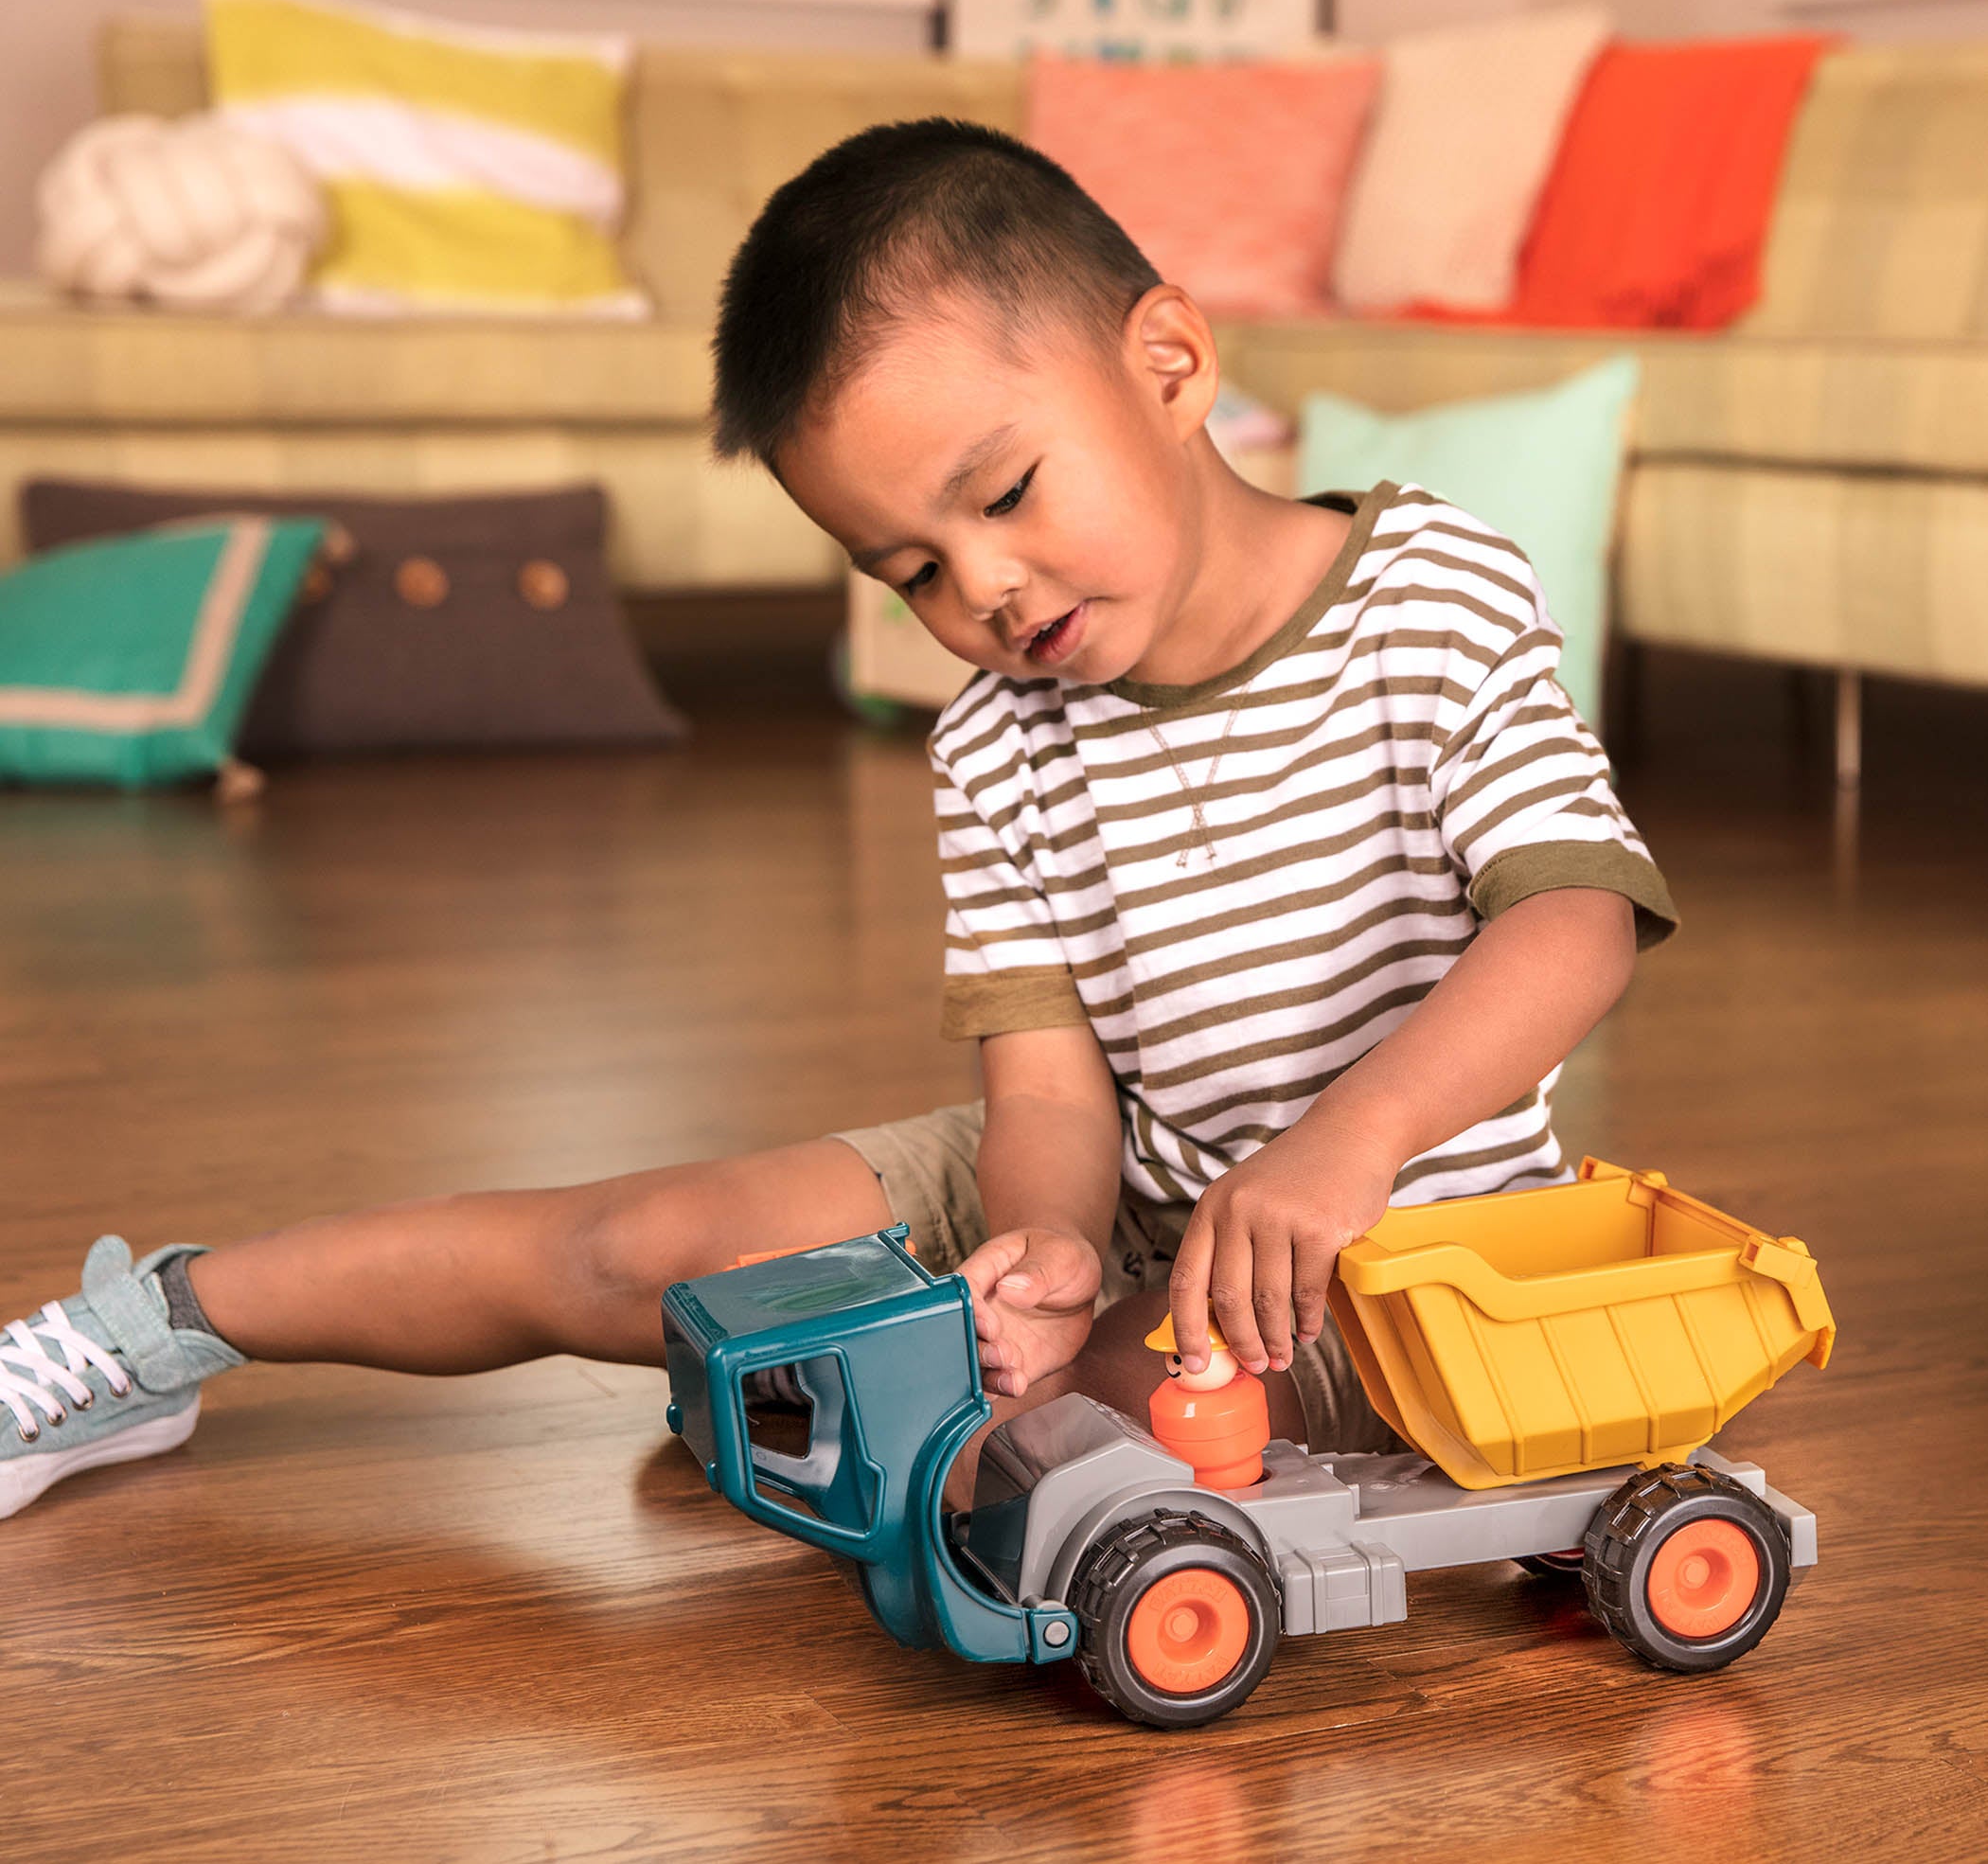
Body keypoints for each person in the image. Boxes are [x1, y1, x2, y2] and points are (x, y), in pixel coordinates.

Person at [0, 119, 1676, 1524]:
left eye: (1004, 494)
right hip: (1129, 1183)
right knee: (627, 1247)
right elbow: (1049, 1087)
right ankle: (150, 1330)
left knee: (1063, 1439)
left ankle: (843, 1401)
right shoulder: (998, 737)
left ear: (1168, 365)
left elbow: (1575, 919)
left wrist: (1344, 1147)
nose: (986, 588)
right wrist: (1042, 1249)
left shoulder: (1430, 590)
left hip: (1399, 1261)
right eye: (912, 571)